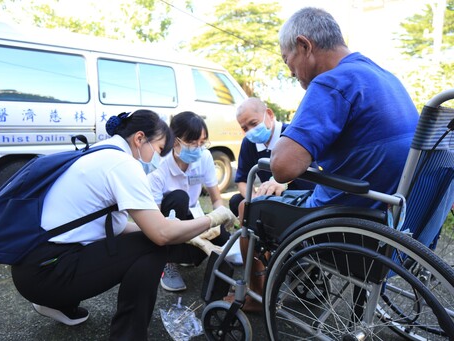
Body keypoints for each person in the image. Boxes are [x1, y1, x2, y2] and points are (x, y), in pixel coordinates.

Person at [232, 7, 419, 313]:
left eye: (287, 59)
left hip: (346, 226)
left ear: (305, 46)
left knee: (246, 207)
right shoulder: (384, 77)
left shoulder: (332, 82)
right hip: (395, 221)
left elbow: (282, 167)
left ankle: (255, 297)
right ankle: (302, 284)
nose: (290, 72)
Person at [10, 110, 239, 341]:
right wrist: (213, 218)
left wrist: (184, 232)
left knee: (146, 242)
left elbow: (120, 228)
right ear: (139, 138)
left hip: (33, 265)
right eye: (159, 149)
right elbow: (160, 235)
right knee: (153, 249)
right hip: (48, 272)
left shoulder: (102, 152)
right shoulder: (122, 164)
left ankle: (61, 304)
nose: (157, 159)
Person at [148, 111, 230, 292]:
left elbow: (216, 198)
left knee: (223, 236)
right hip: (167, 221)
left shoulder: (205, 157)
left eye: (202, 142)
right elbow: (155, 220)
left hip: (192, 216)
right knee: (179, 197)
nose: (198, 148)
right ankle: (167, 261)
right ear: (175, 139)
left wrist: (221, 216)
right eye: (192, 143)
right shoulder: (159, 165)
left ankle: (183, 255)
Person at [228, 97, 315, 217]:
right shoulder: (249, 144)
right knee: (236, 201)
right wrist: (254, 200)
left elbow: (310, 167)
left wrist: (282, 181)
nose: (251, 131)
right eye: (245, 128)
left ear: (269, 114)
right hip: (270, 196)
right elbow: (242, 180)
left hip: (300, 194)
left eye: (253, 123)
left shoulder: (292, 134)